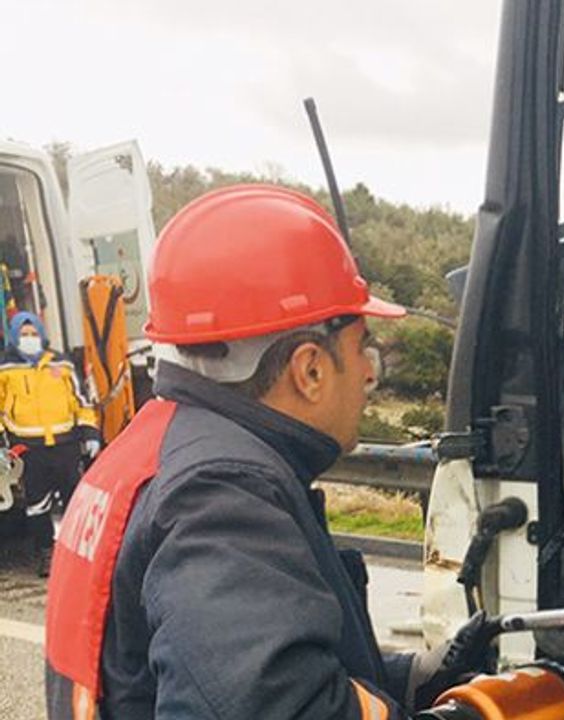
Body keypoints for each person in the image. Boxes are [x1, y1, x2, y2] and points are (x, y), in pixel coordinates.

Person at [44, 185, 477, 719]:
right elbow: (275, 707)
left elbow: (229, 673)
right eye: (362, 345)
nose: (369, 372)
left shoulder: (150, 448)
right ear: (310, 369)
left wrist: (415, 678)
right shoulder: (220, 495)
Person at [0, 311, 99, 578]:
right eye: (24, 334)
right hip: (28, 447)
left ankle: (80, 553)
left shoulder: (62, 364)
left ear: (42, 335)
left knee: (75, 499)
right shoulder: (5, 369)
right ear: (14, 336)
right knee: (37, 504)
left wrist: (90, 432)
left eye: (34, 334)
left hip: (65, 443)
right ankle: (47, 553)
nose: (29, 338)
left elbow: (81, 401)